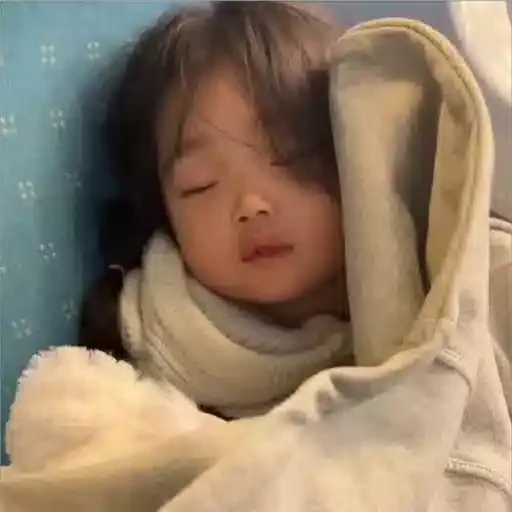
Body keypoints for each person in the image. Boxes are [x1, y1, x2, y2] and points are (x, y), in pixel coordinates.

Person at [1, 2, 511, 511]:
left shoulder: (462, 282)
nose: (251, 205)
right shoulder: (140, 365)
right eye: (201, 185)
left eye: (291, 158)